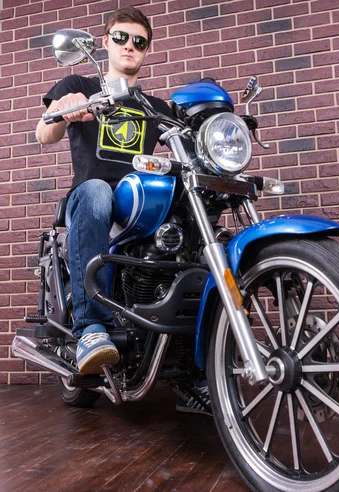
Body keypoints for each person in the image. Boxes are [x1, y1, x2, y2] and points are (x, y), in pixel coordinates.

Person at [35, 7, 211, 415]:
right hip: (93, 197)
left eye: (139, 41)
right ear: (106, 42)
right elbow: (44, 132)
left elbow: (191, 143)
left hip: (140, 204)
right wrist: (65, 108)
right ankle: (90, 329)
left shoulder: (153, 106)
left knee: (192, 214)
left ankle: (193, 367)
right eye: (121, 38)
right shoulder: (80, 83)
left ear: (146, 50)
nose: (129, 46)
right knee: (97, 191)